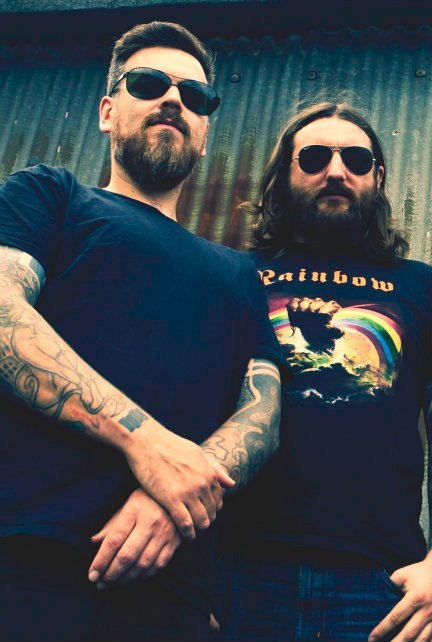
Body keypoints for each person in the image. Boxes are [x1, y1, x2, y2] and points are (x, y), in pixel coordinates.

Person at [0, 21, 284, 641]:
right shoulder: (50, 197)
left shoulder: (240, 273)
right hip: (25, 562)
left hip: (174, 595)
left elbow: (263, 412)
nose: (174, 99)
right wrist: (145, 443)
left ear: (205, 133)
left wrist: (178, 491)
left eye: (195, 95)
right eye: (149, 83)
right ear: (108, 112)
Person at [218, 101, 432, 642]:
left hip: (380, 583)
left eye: (356, 160)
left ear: (377, 177)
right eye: (315, 157)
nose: (336, 171)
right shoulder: (235, 275)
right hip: (239, 575)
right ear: (284, 176)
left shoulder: (426, 289)